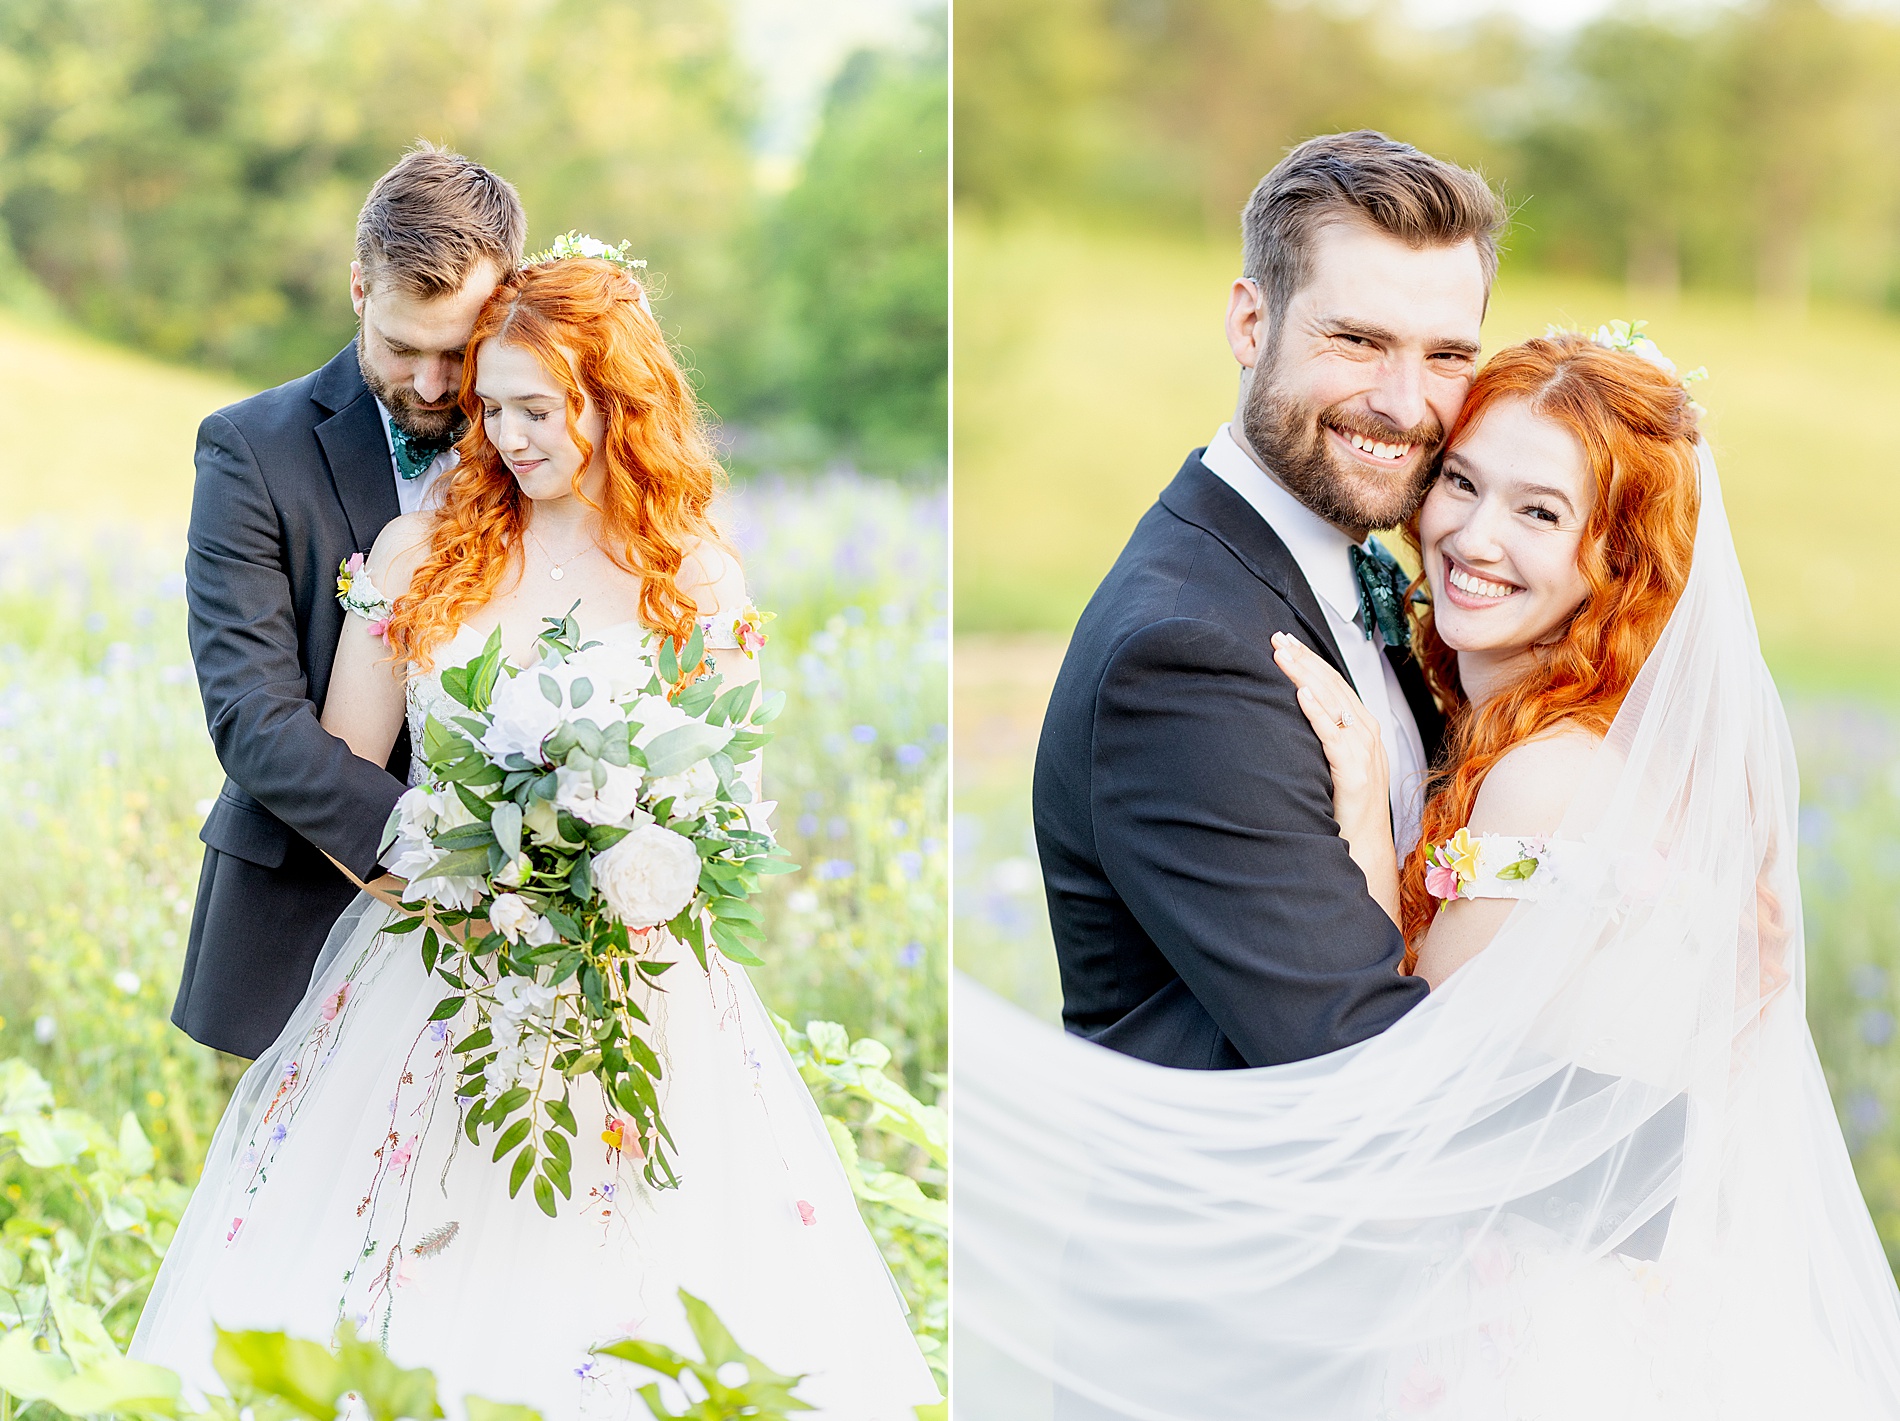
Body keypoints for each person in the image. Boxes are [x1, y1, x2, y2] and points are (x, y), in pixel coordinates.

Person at [957, 332, 1900, 1416]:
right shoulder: (1582, 745)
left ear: (1620, 558)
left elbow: (1409, 1115)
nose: (1471, 533)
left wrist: (1364, 834)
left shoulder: (1546, 782)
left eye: (1540, 512)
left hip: (1525, 1339)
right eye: (1460, 480)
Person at [135, 254, 940, 1419]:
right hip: (436, 964)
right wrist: (471, 880)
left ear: (613, 400)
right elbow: (348, 771)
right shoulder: (419, 555)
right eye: (490, 407)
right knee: (406, 1269)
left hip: (636, 987)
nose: (506, 436)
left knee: (632, 1288)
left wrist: (628, 874)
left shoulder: (693, 575)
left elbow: (730, 798)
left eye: (534, 406)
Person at [1032, 131, 1501, 1070]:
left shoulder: (1358, 575)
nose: (1406, 405)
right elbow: (1355, 1055)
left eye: (1447, 356)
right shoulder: (1185, 656)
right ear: (1251, 323)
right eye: (1359, 341)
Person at [176, 144, 524, 1059]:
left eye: (457, 351)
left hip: (523, 946)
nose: (433, 386)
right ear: (360, 292)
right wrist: (438, 862)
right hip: (303, 920)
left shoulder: (546, 439)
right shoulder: (250, 450)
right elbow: (252, 717)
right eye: (403, 348)